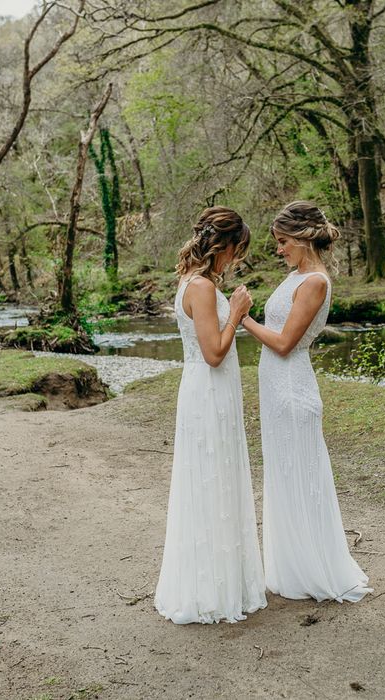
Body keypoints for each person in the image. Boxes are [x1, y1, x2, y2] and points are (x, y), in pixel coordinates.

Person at [241, 201, 372, 602]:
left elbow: (283, 344)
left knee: (301, 477)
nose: (278, 250)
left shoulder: (314, 281)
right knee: (285, 475)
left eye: (283, 242)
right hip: (277, 392)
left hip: (293, 391)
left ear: (302, 238)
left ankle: (314, 568)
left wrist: (241, 318)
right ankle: (292, 566)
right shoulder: (297, 275)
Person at [154, 206, 267, 624]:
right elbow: (214, 354)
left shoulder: (196, 281)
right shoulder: (200, 287)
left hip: (212, 392)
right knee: (210, 481)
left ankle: (223, 581)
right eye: (238, 250)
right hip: (207, 391)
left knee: (217, 480)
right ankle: (209, 589)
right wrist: (236, 312)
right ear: (223, 246)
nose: (238, 259)